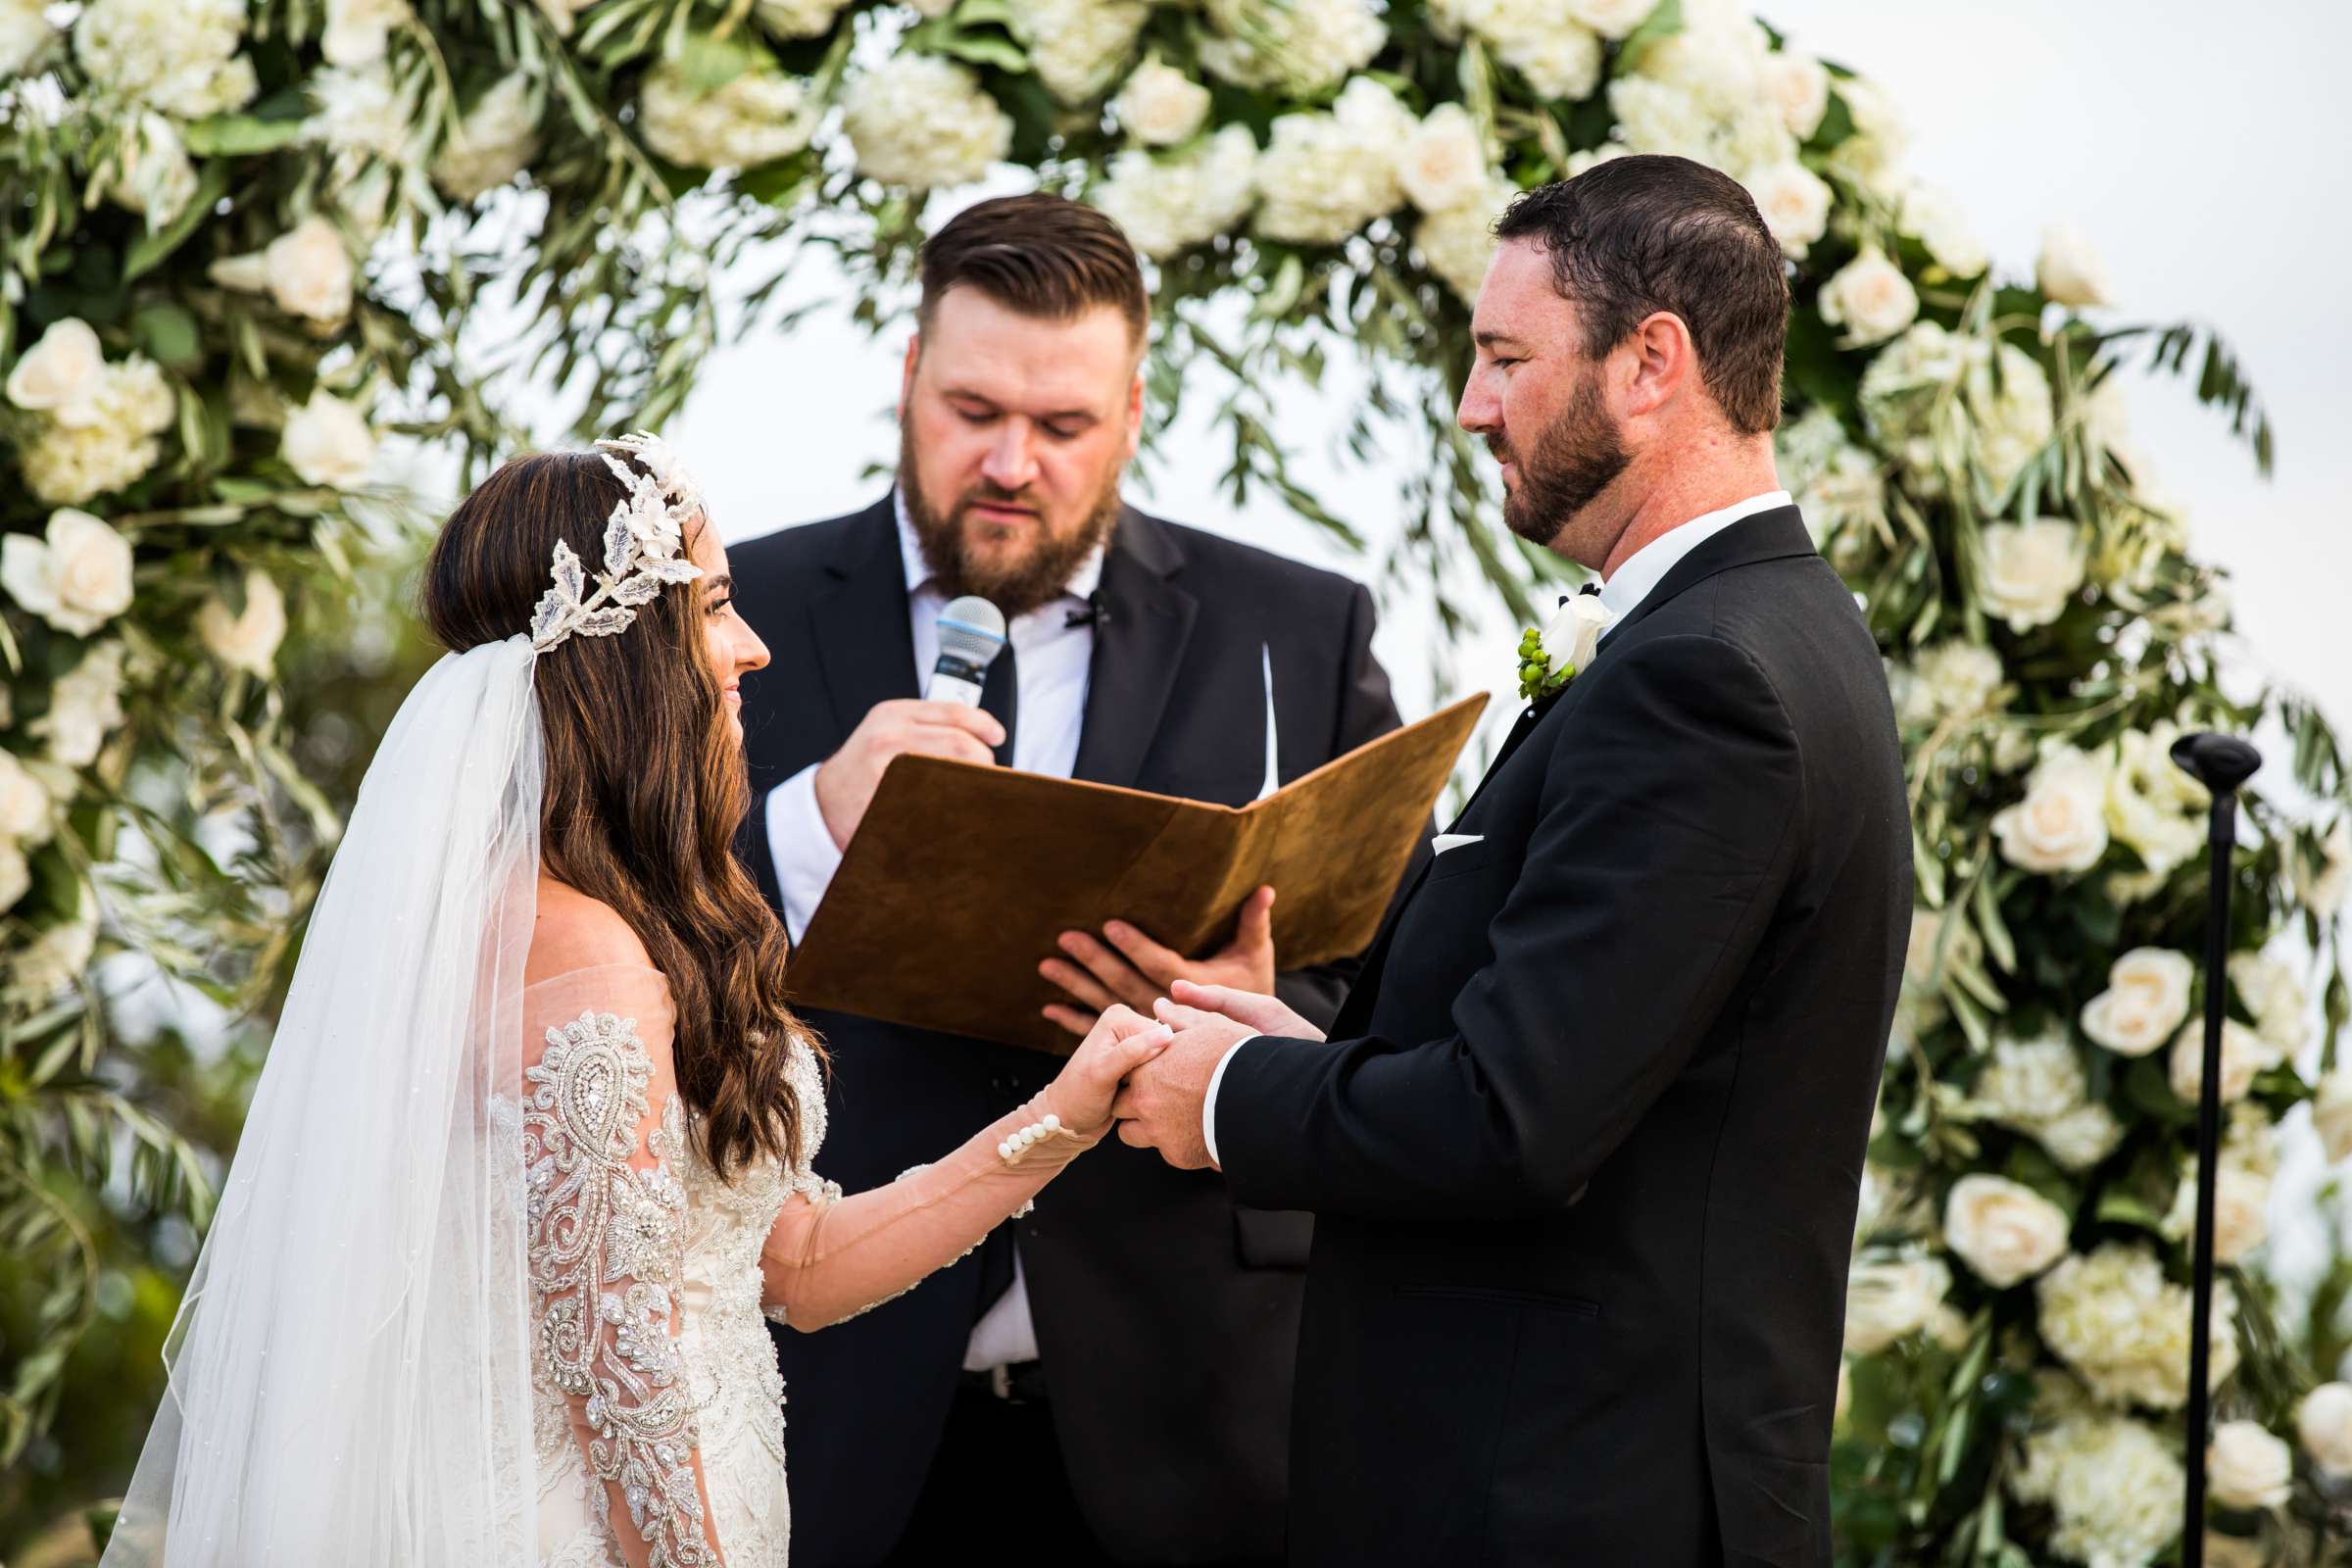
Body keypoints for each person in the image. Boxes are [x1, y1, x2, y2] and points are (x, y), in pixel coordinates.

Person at [98, 434, 1172, 1568]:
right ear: (623, 660)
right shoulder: (581, 958)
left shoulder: (622, 922)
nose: (751, 650)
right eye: (713, 607)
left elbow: (794, 1263)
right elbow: (626, 1380)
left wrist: (1064, 1115)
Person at [1112, 155, 1913, 1566]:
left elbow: (1516, 1123)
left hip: (1566, 1502)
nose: (1474, 404)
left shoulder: (1702, 682)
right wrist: (1290, 1041)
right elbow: (1578, 1044)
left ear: (1650, 363)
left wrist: (1232, 1098)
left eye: (1503, 357)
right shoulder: (1765, 631)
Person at [730, 193, 1411, 1567]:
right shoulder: (732, 611)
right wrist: (801, 824)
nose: (1010, 463)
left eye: (1062, 427)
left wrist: (1263, 1020)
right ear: (908, 373)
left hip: (1194, 1416)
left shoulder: (1299, 625)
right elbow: (604, 936)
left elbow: (1410, 1001)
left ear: (1136, 409)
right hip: (830, 1401)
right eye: (973, 408)